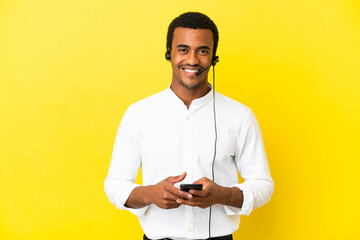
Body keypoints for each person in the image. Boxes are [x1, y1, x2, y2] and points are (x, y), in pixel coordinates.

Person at [105, 12, 274, 240]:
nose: (193, 60)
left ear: (214, 58)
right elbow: (115, 184)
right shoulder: (138, 114)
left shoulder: (240, 116)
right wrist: (150, 194)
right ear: (169, 54)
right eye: (183, 49)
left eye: (202, 51)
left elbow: (263, 184)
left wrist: (223, 195)